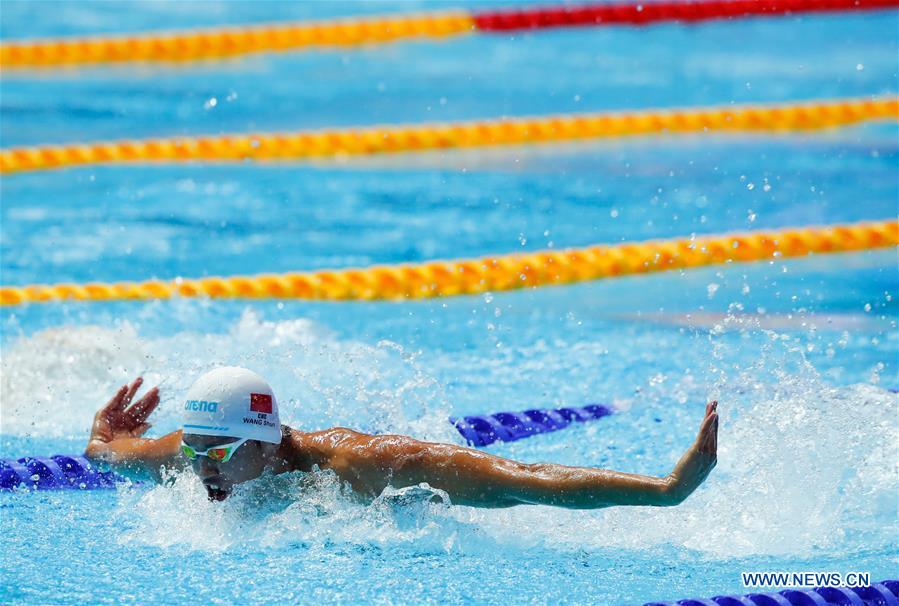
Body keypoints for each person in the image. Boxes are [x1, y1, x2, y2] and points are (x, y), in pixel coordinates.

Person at [86, 366, 718, 507]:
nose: (201, 468)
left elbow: (524, 481)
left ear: (266, 441)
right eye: (193, 449)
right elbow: (111, 455)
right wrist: (102, 438)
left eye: (217, 452)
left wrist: (664, 489)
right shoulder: (204, 452)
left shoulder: (362, 464)